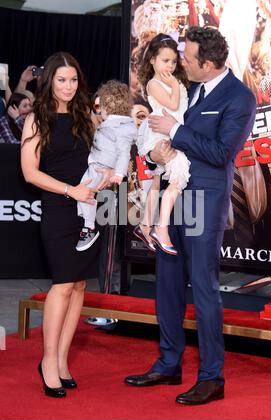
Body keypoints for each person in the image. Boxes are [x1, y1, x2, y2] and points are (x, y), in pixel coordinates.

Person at [124, 26, 256, 406]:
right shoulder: (188, 86)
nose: (181, 60)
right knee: (166, 285)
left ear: (209, 64)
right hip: (172, 195)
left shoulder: (239, 98)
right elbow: (159, 137)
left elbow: (220, 153)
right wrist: (154, 154)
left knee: (203, 288)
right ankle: (168, 363)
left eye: (188, 57)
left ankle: (212, 377)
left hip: (204, 201)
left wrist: (176, 131)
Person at [21, 52, 102, 398]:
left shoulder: (87, 115)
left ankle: (63, 360)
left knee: (80, 285)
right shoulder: (38, 117)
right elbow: (29, 171)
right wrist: (71, 190)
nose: (68, 87)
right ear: (50, 81)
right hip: (58, 207)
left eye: (73, 80)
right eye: (61, 80)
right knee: (63, 284)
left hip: (89, 209)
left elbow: (102, 155)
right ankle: (48, 361)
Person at [134, 33, 190, 255]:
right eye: (165, 61)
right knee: (177, 177)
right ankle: (161, 227)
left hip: (173, 132)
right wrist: (175, 84)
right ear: (152, 61)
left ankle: (146, 225)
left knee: (158, 183)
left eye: (174, 61)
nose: (170, 65)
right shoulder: (154, 84)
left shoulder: (174, 82)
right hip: (160, 135)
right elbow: (173, 103)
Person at [76, 80, 137, 252]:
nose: (98, 109)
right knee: (84, 194)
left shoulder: (121, 126)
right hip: (97, 167)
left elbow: (125, 152)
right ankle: (88, 227)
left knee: (84, 193)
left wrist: (118, 174)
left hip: (102, 169)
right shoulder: (113, 123)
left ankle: (88, 228)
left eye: (100, 105)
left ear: (108, 105)